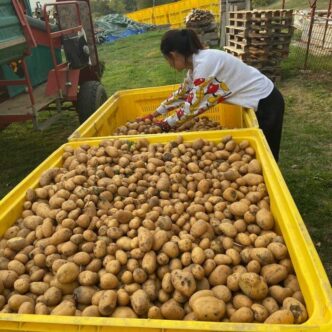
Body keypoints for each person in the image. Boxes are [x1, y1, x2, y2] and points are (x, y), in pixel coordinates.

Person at [141, 29, 285, 161]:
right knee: (260, 151)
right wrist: (154, 115)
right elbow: (182, 93)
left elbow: (191, 108)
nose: (169, 65)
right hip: (259, 100)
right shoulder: (196, 65)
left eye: (167, 60)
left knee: (267, 152)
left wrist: (163, 125)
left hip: (267, 101)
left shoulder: (205, 65)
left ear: (173, 54)